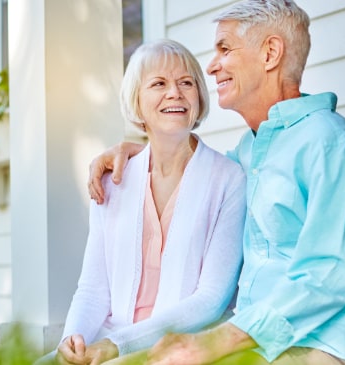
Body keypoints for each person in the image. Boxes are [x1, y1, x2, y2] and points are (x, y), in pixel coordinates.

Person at [89, 1, 345, 365]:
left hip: (325, 343)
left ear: (270, 53)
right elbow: (195, 167)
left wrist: (216, 343)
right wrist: (141, 151)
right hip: (253, 344)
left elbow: (324, 278)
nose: (211, 65)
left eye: (225, 48)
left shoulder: (331, 145)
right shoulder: (249, 152)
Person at [41, 39, 247, 365]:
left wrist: (117, 345)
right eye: (158, 84)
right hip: (103, 343)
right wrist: (73, 341)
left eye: (186, 83)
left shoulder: (229, 179)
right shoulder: (110, 179)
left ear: (199, 97)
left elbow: (210, 299)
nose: (175, 93)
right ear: (137, 102)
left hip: (177, 348)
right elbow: (93, 289)